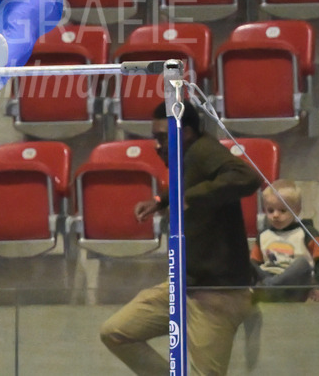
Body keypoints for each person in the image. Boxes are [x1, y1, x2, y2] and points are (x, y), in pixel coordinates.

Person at [100, 101, 263, 376]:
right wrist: (160, 199)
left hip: (216, 295)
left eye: (162, 137)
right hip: (182, 286)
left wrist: (188, 198)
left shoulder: (203, 150)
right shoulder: (186, 155)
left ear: (185, 132)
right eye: (155, 137)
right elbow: (187, 183)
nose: (157, 145)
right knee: (115, 333)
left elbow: (247, 176)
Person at [250, 178, 319, 302]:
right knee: (244, 261)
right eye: (270, 210)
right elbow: (255, 262)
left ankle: (268, 288)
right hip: (269, 275)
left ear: (297, 210)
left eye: (283, 210)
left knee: (303, 263)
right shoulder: (263, 235)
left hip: (294, 285)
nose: (276, 215)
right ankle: (269, 287)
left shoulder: (308, 232)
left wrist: (318, 287)